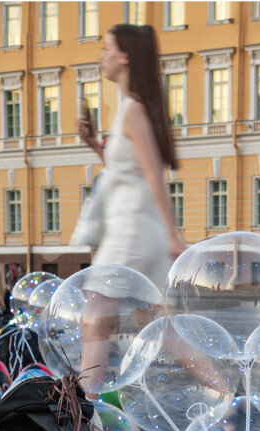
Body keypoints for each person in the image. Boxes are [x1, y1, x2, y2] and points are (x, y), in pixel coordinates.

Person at [78, 23, 186, 291]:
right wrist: (95, 146)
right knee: (152, 319)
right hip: (131, 227)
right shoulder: (128, 108)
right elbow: (129, 170)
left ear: (124, 57)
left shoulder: (132, 111)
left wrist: (172, 236)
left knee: (96, 315)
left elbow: (153, 174)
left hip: (132, 229)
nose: (101, 56)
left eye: (107, 49)